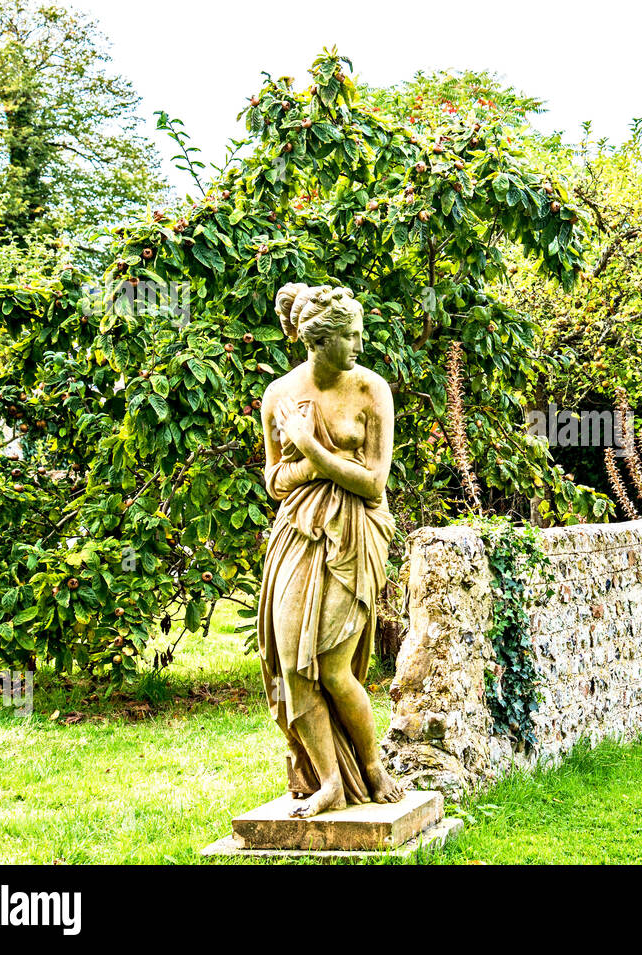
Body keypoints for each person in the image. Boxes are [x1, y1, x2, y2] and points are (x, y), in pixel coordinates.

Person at [256, 282, 402, 817]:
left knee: (334, 666)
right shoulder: (279, 396)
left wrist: (312, 448)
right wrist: (309, 463)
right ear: (318, 342)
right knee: (293, 665)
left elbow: (373, 482)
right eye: (349, 336)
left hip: (356, 533)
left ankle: (371, 765)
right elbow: (275, 481)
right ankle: (328, 782)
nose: (359, 345)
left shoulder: (371, 390)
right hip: (297, 532)